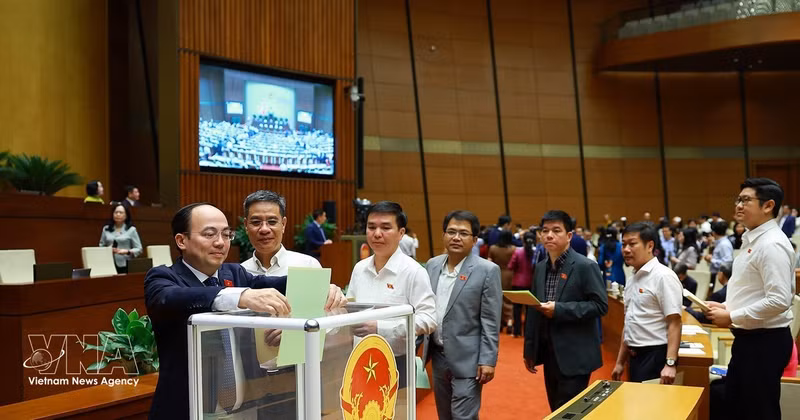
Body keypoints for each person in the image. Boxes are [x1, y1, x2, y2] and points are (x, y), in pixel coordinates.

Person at [144, 203, 346, 419]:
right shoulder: (163, 278)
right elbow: (169, 299)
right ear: (181, 240)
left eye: (226, 234)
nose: (221, 243)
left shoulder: (234, 273)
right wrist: (239, 296)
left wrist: (320, 287)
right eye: (210, 234)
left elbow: (277, 283)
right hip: (187, 408)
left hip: (245, 408)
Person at [706, 178, 795, 420]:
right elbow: (753, 292)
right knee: (738, 406)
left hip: (765, 342)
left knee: (758, 412)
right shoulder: (752, 239)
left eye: (746, 200)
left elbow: (779, 300)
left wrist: (732, 315)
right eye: (738, 199)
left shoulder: (771, 244)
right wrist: (725, 306)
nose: (739, 205)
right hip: (750, 340)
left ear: (768, 206)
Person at [523, 210, 608, 412]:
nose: (549, 235)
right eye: (545, 231)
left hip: (575, 354)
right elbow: (534, 309)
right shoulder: (541, 267)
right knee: (555, 410)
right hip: (549, 351)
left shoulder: (585, 266)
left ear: (569, 236)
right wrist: (530, 349)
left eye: (556, 230)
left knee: (569, 412)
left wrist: (560, 310)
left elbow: (600, 306)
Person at [421, 210, 502, 420]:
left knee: (463, 417)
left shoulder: (487, 271)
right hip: (438, 356)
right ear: (444, 235)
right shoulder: (432, 265)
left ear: (475, 239)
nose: (456, 238)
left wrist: (488, 359)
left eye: (464, 233)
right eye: (451, 232)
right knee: (445, 415)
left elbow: (491, 320)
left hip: (469, 359)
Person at [346, 201, 436, 387]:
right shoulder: (359, 268)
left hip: (397, 362)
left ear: (401, 233)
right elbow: (350, 306)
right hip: (359, 359)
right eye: (371, 227)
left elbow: (429, 319)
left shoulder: (413, 271)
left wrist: (381, 328)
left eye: (386, 227)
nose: (377, 233)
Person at [612, 222, 682, 384]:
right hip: (634, 356)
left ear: (649, 245)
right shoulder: (632, 278)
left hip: (655, 356)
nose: (626, 249)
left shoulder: (664, 276)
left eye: (632, 244)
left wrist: (670, 363)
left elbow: (675, 322)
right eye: (623, 245)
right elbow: (629, 322)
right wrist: (620, 362)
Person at [240, 190, 320, 276]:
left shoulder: (308, 266)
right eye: (256, 222)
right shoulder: (240, 274)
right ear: (246, 225)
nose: (264, 229)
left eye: (272, 222)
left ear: (283, 224)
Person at [98, 202, 142, 273]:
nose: (118, 214)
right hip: (108, 263)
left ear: (126, 215)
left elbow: (139, 249)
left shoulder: (131, 230)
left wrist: (127, 251)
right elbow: (101, 246)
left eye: (121, 212)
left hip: (125, 264)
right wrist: (108, 249)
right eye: (116, 212)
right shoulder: (106, 229)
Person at [509, 231, 536, 337]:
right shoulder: (536, 252)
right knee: (529, 310)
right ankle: (528, 332)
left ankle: (516, 331)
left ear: (523, 241)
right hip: (531, 283)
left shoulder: (518, 251)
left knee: (517, 309)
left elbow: (511, 266)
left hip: (517, 283)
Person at [489, 230, 516, 334]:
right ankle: (509, 322)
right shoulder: (513, 249)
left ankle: (499, 324)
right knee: (509, 300)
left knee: (497, 299)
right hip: (510, 275)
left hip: (497, 275)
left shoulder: (493, 248)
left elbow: (489, 261)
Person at [705, 220, 734, 292]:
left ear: (714, 232)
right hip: (715, 274)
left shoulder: (724, 244)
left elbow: (727, 263)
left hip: (720, 276)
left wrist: (712, 260)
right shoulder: (719, 243)